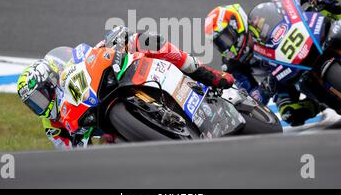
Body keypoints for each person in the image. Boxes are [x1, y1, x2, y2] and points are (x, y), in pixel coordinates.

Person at [16, 27, 234, 149]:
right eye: (34, 104)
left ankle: (207, 75)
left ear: (52, 80)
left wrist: (115, 40)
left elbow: (93, 52)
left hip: (108, 85)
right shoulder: (51, 125)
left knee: (148, 41)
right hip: (109, 130)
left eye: (40, 97)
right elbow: (70, 153)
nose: (41, 106)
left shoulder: (72, 67)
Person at [205, 0, 341, 126]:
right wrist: (265, 89)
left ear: (237, 25)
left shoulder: (260, 17)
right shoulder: (233, 64)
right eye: (219, 44)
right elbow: (248, 97)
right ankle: (318, 103)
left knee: (332, 11)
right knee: (290, 113)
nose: (225, 47)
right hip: (283, 79)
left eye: (225, 38)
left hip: (308, 41)